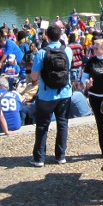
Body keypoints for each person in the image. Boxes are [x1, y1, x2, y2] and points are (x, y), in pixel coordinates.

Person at [29, 25, 73, 167]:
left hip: (46, 94)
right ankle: (60, 156)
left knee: (42, 125)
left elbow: (34, 76)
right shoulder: (67, 50)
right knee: (63, 124)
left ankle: (39, 158)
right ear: (60, 36)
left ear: (46, 36)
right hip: (65, 92)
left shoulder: (42, 53)